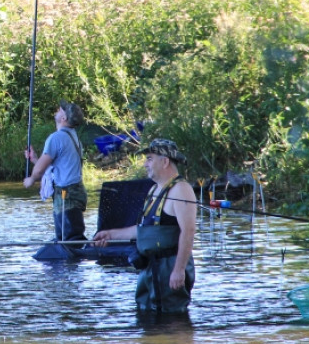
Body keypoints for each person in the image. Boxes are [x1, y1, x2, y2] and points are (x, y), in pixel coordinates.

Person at [93, 138, 196, 312]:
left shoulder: (181, 189)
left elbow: (188, 232)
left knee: (172, 322)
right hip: (148, 269)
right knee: (146, 319)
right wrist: (110, 234)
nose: (144, 164)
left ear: (165, 161)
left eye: (149, 158)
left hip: (169, 269)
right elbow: (143, 230)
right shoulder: (153, 190)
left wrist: (178, 270)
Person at [23, 101, 88, 242]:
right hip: (73, 193)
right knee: (67, 238)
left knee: (69, 241)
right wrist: (35, 159)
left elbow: (40, 170)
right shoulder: (72, 136)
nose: (58, 110)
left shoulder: (56, 138)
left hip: (67, 195)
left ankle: (72, 263)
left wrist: (31, 179)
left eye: (61, 110)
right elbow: (59, 165)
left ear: (64, 118)